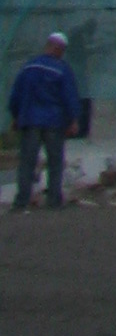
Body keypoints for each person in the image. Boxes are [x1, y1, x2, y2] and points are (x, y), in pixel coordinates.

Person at [9, 31, 82, 211]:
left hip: (30, 120)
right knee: (55, 162)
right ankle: (53, 201)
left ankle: (21, 202)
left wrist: (16, 115)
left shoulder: (29, 67)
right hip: (53, 122)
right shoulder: (61, 69)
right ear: (59, 49)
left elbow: (16, 94)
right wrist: (73, 119)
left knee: (27, 162)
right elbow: (69, 96)